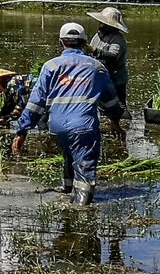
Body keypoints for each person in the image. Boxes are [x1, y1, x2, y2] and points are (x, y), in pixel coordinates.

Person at [12, 23, 126, 206]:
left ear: (61, 43)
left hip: (56, 127)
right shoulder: (96, 68)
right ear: (85, 43)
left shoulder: (50, 66)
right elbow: (110, 101)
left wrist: (21, 131)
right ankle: (81, 210)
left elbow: (35, 103)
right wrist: (116, 122)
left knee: (70, 155)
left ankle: (67, 192)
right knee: (85, 169)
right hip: (84, 127)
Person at [87, 7, 129, 108]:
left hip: (115, 80)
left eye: (102, 23)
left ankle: (123, 121)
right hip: (100, 77)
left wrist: (95, 51)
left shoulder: (117, 39)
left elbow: (113, 55)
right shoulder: (98, 36)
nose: (100, 24)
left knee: (119, 106)